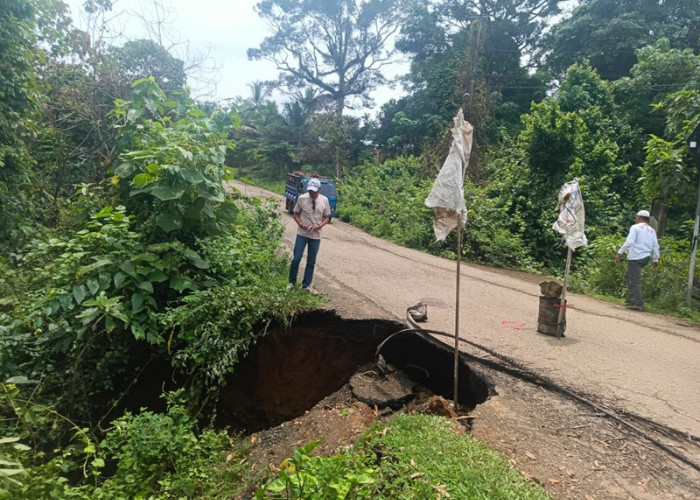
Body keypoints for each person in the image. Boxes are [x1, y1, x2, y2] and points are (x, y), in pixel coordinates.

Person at [287, 178, 330, 293]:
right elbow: (295, 214)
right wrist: (301, 224)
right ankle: (291, 282)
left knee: (311, 261)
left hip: (316, 236)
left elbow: (327, 217)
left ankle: (306, 285)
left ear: (319, 189)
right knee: (296, 259)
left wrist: (319, 226)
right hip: (302, 233)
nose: (312, 193)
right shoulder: (302, 198)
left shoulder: (324, 200)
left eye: (314, 191)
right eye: (310, 191)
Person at [615, 210, 660, 311]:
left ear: (639, 217)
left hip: (636, 257)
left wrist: (619, 253)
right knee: (628, 275)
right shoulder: (651, 230)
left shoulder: (635, 227)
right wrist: (655, 259)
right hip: (646, 258)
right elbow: (656, 246)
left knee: (635, 280)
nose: (635, 218)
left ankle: (638, 303)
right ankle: (631, 298)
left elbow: (629, 241)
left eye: (636, 217)